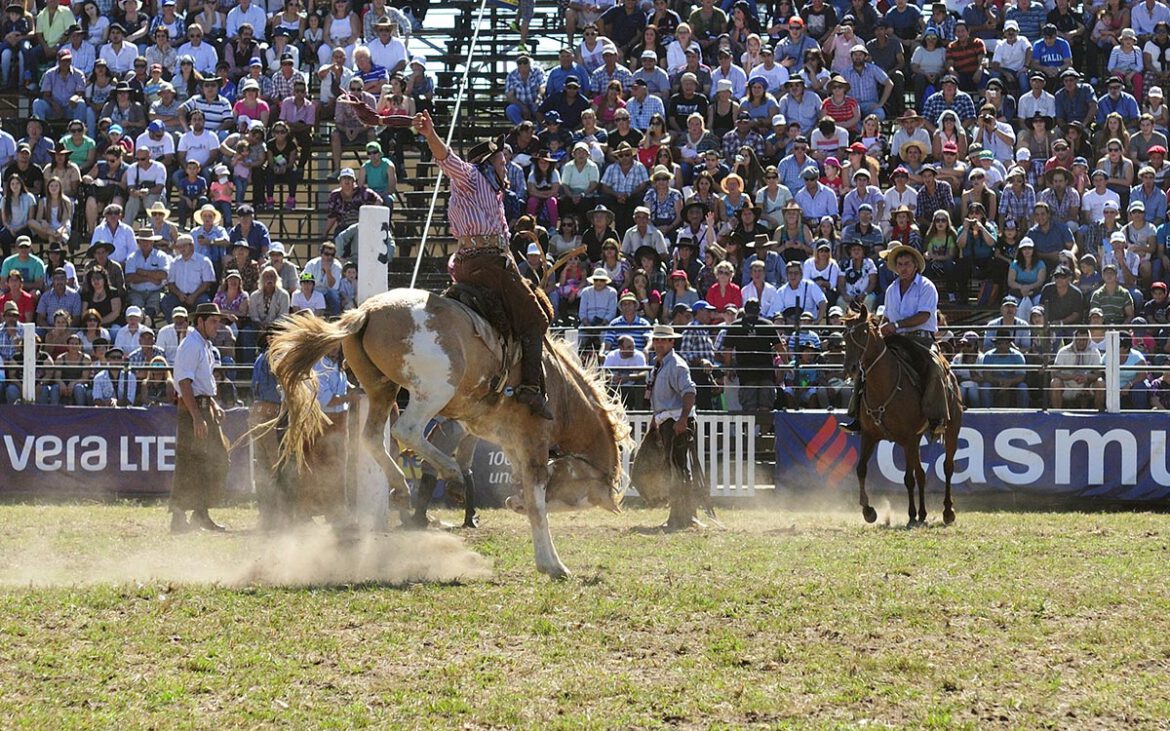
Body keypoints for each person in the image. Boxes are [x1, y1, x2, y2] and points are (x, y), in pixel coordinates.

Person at [409, 110, 553, 419]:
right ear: (487, 164)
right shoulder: (472, 177)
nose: (506, 167)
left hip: (472, 263)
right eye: (501, 163)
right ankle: (530, 387)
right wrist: (431, 134)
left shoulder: (493, 193)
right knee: (537, 318)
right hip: (488, 264)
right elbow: (447, 160)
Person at [841, 244, 951, 437]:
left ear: (915, 265)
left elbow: (924, 316)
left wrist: (896, 325)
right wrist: (882, 327)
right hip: (896, 340)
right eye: (899, 264)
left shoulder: (926, 287)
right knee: (868, 364)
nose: (903, 268)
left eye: (907, 264)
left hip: (921, 340)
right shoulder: (892, 289)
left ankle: (937, 418)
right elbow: (888, 317)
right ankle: (857, 416)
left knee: (935, 366)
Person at [169, 301, 229, 533]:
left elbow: (200, 383)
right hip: (192, 409)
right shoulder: (192, 345)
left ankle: (198, 513)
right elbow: (184, 382)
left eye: (218, 320)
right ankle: (182, 515)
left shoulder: (202, 344)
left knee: (211, 460)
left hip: (202, 407)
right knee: (191, 461)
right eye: (213, 321)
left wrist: (212, 404)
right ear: (200, 321)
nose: (217, 325)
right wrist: (196, 416)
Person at [644, 323, 699, 530]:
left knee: (678, 469)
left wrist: (683, 419)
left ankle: (682, 516)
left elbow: (689, 392)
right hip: (669, 421)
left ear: (671, 342)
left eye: (662, 340)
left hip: (676, 422)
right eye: (656, 340)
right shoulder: (659, 365)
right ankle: (683, 515)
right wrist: (656, 418)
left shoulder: (675, 365)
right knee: (676, 468)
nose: (658, 344)